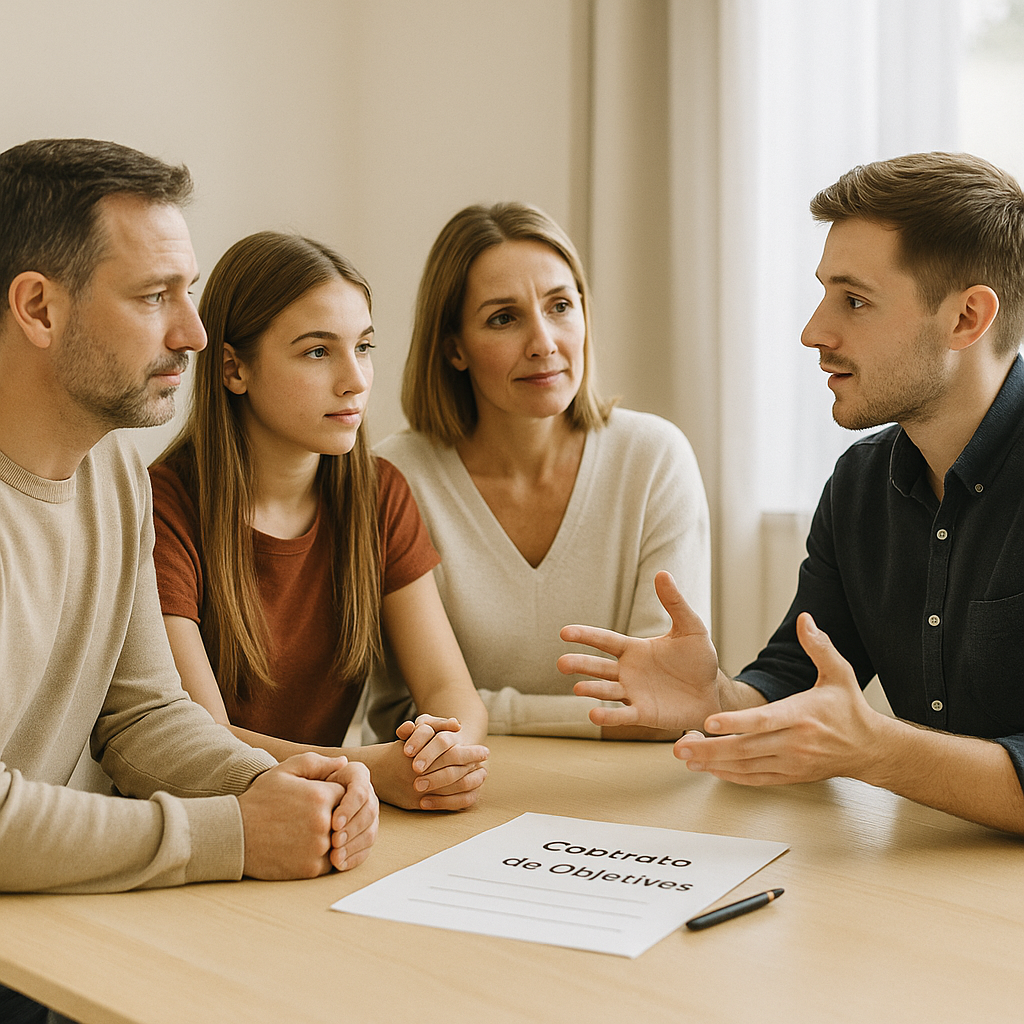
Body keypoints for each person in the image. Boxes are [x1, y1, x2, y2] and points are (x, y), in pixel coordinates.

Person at [0, 140, 377, 1021]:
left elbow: (142, 714)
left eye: (190, 292)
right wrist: (233, 834)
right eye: (153, 297)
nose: (194, 334)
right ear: (37, 308)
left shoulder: (115, 477)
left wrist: (270, 786)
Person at [561, 151, 1024, 833]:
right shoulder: (861, 484)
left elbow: (862, 742)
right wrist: (715, 697)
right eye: (824, 293)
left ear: (965, 319)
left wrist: (873, 749)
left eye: (855, 301)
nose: (815, 333)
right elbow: (797, 679)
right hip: (928, 878)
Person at [150, 231, 489, 812]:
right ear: (233, 368)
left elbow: (449, 688)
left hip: (327, 814)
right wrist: (370, 769)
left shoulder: (379, 492)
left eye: (363, 347)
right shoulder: (164, 507)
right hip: (210, 821)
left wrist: (442, 753)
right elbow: (199, 741)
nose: (354, 379)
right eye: (316, 351)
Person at [368, 202, 710, 740]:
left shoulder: (653, 459)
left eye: (560, 306)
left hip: (624, 791)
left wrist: (482, 713)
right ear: (454, 348)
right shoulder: (394, 477)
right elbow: (397, 714)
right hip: (454, 789)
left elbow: (664, 704)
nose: (544, 343)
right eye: (504, 318)